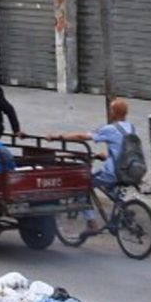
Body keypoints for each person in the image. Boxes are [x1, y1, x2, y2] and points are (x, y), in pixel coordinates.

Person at [61, 97, 137, 235]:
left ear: (113, 112)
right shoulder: (131, 127)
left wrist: (60, 137)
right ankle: (123, 211)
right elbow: (124, 150)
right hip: (131, 170)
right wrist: (107, 156)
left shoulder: (110, 129)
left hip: (114, 172)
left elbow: (82, 137)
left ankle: (92, 224)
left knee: (83, 186)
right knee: (110, 186)